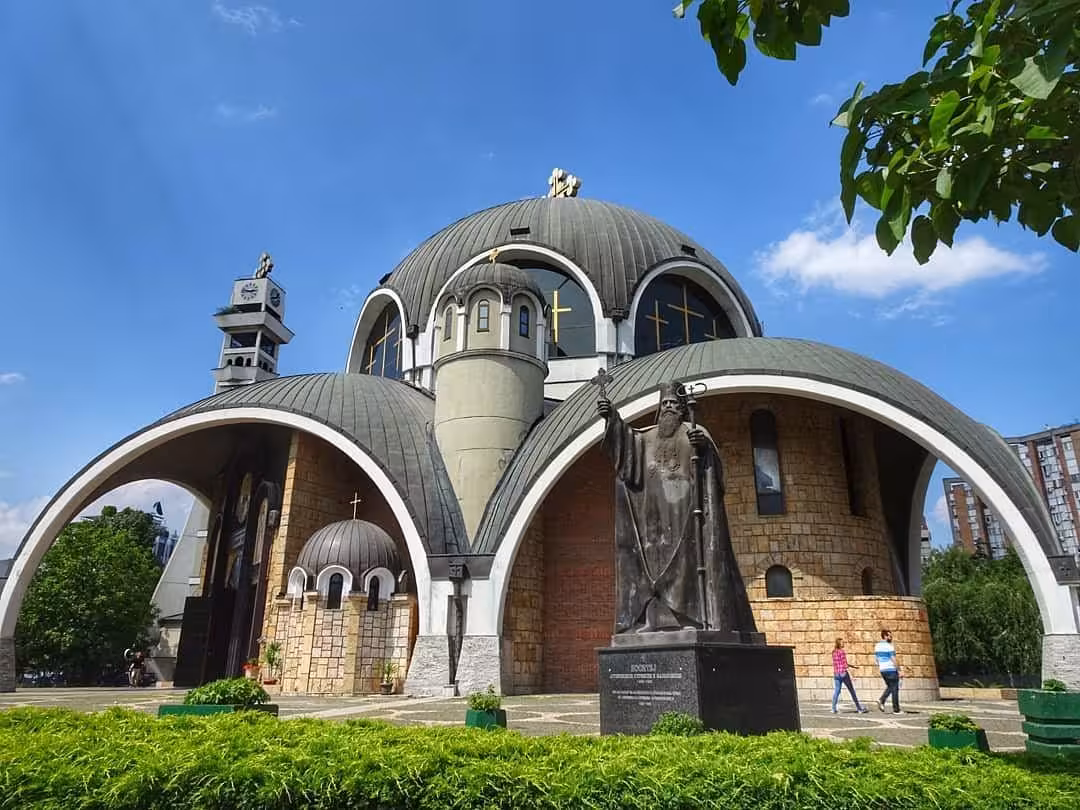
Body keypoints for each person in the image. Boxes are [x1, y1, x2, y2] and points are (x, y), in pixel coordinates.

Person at [596, 382, 756, 634]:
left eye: (673, 404)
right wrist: (611, 417)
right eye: (665, 404)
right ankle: (653, 620)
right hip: (652, 518)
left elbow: (713, 469)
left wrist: (703, 446)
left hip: (686, 515)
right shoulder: (647, 437)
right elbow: (626, 447)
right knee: (651, 569)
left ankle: (690, 620)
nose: (668, 408)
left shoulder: (694, 432)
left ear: (682, 409)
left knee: (688, 564)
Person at [831, 637, 868, 713]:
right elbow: (844, 665)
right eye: (842, 642)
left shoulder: (834, 652)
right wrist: (851, 676)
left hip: (836, 674)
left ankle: (833, 709)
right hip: (843, 673)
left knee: (837, 691)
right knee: (852, 691)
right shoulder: (842, 652)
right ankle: (859, 708)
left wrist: (853, 666)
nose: (843, 643)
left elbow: (840, 663)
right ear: (839, 644)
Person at [874, 628, 902, 713]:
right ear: (885, 636)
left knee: (890, 686)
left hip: (883, 670)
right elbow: (893, 659)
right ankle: (896, 709)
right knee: (895, 688)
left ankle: (882, 700)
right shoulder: (889, 646)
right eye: (890, 636)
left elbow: (876, 659)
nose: (891, 638)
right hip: (891, 669)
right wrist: (899, 670)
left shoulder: (877, 646)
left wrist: (881, 665)